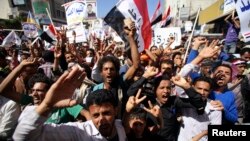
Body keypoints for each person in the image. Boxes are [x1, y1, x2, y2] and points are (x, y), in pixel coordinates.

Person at [13, 67, 127, 141]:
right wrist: (47, 105)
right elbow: (22, 137)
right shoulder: (79, 132)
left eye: (106, 113)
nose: (101, 120)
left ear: (116, 110)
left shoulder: (120, 126)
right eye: (95, 115)